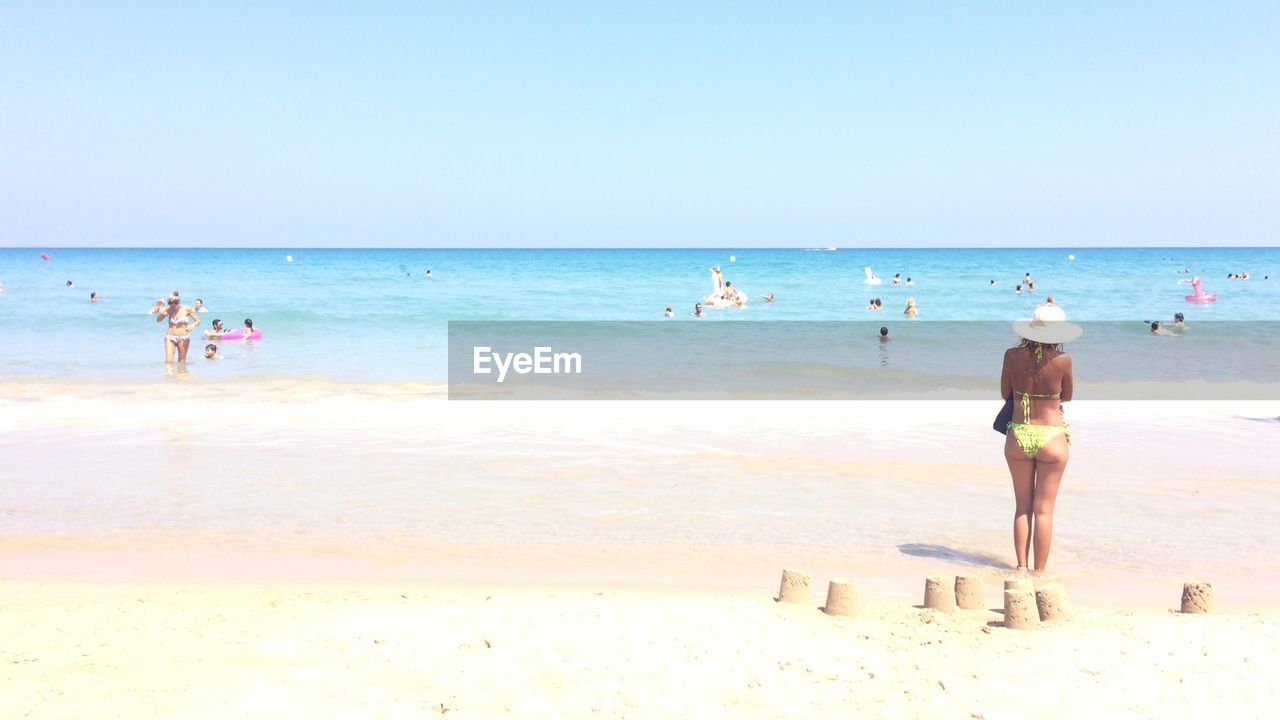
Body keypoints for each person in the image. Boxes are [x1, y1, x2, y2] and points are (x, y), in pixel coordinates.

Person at [1001, 304, 1081, 574]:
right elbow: (1066, 396)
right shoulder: (1063, 359)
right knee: (1044, 510)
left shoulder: (1011, 356)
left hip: (1019, 434)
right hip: (1052, 437)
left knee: (1022, 507)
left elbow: (1005, 392)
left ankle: (1021, 567)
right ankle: (1039, 573)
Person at [156, 294, 201, 363]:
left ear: (178, 303)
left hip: (184, 338)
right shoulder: (169, 310)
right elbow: (158, 320)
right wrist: (163, 313)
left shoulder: (186, 309)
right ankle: (169, 374)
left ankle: (181, 374)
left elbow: (198, 321)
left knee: (181, 362)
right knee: (168, 361)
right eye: (171, 306)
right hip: (170, 337)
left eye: (174, 306)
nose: (172, 308)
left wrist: (193, 325)